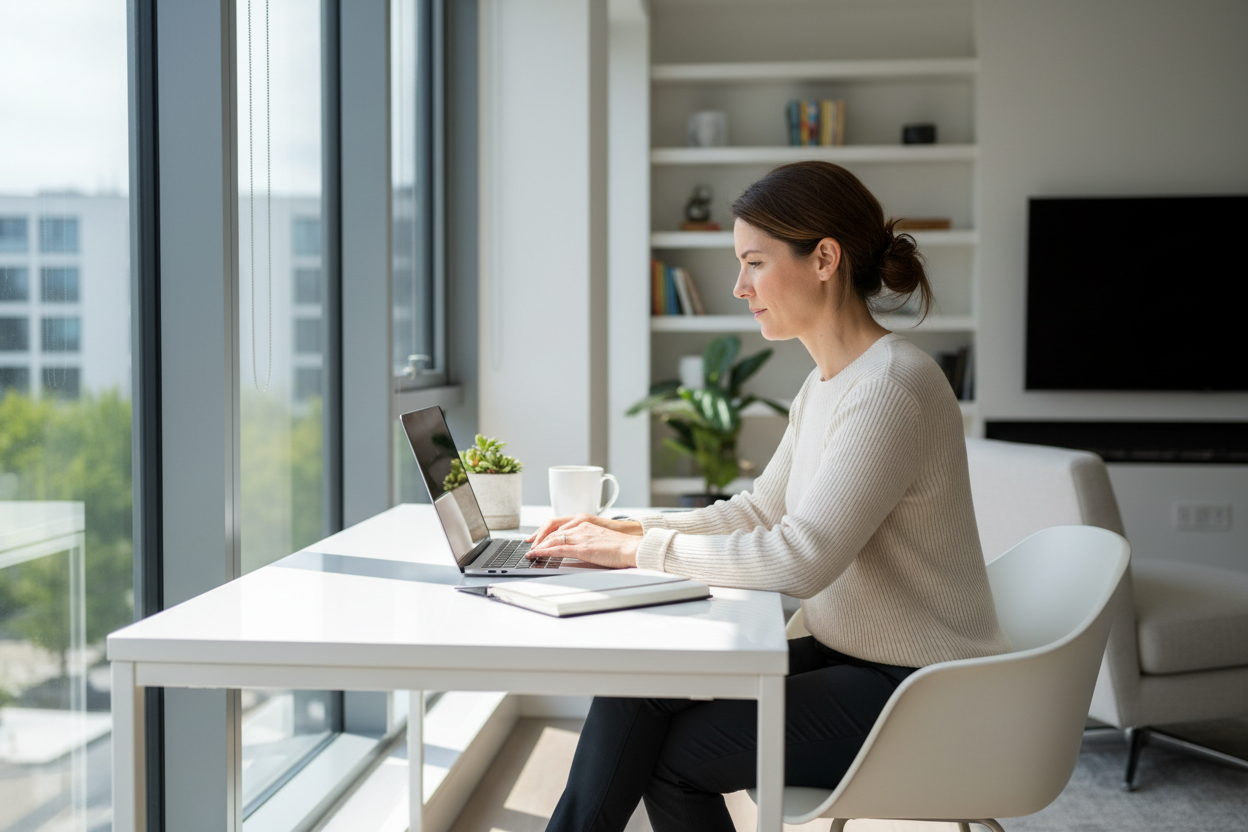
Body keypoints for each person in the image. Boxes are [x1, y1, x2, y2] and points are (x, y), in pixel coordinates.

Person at [526, 160, 1009, 832]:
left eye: (754, 263)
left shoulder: (891, 387)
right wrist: (627, 531)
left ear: (824, 259)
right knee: (640, 690)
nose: (740, 286)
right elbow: (759, 511)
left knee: (675, 759)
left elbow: (801, 559)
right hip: (852, 657)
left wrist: (639, 552)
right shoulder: (828, 383)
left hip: (923, 689)